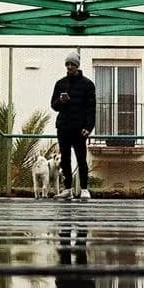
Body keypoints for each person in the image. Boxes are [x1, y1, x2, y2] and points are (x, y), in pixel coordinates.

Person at [50, 51, 95, 199]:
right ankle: (67, 188)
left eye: (72, 64)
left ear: (77, 66)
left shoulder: (87, 85)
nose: (69, 67)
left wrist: (88, 127)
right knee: (65, 159)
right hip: (63, 126)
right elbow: (54, 105)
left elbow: (91, 108)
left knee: (81, 158)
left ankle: (84, 188)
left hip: (79, 128)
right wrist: (61, 101)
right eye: (67, 64)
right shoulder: (60, 83)